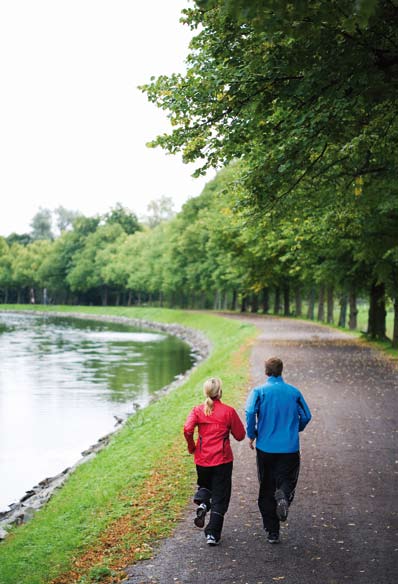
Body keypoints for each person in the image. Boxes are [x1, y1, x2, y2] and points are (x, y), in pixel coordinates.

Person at [245, 357, 312, 544]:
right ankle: (283, 494)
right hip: (289, 447)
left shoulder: (259, 391)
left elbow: (250, 412)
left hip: (265, 447)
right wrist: (294, 428)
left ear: (266, 372)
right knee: (287, 479)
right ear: (281, 371)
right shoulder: (293, 392)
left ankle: (272, 532)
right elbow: (306, 415)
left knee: (266, 486)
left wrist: (252, 433)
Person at [183, 377, 245, 546]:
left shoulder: (197, 411)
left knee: (205, 486)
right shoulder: (228, 412)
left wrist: (192, 446)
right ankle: (212, 534)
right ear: (220, 392)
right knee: (220, 496)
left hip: (202, 460)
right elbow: (240, 435)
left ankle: (203, 504)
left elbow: (188, 429)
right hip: (222, 460)